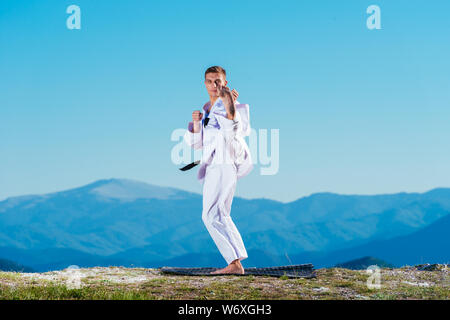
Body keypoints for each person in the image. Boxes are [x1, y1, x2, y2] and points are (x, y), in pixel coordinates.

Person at [183, 66, 253, 274]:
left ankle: (233, 262)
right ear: (205, 84)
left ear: (225, 83)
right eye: (210, 81)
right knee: (220, 213)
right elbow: (196, 144)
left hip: (225, 164)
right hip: (213, 165)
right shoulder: (207, 110)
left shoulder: (234, 105)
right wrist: (196, 124)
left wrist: (229, 102)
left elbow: (235, 131)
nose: (214, 85)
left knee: (210, 215)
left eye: (218, 81)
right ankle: (236, 260)